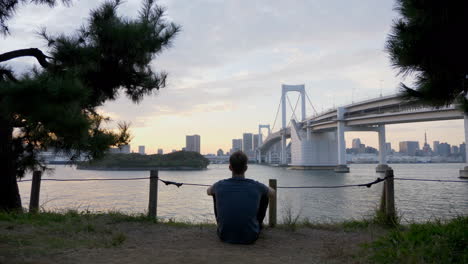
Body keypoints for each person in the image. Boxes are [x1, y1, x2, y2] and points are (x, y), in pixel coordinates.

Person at [207, 151, 275, 244]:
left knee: (215, 193)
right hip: (251, 236)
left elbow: (208, 191)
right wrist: (261, 190)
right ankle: (258, 224)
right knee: (265, 194)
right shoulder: (256, 185)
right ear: (246, 168)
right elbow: (272, 193)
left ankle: (223, 226)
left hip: (224, 235)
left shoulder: (219, 185)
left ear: (230, 168)